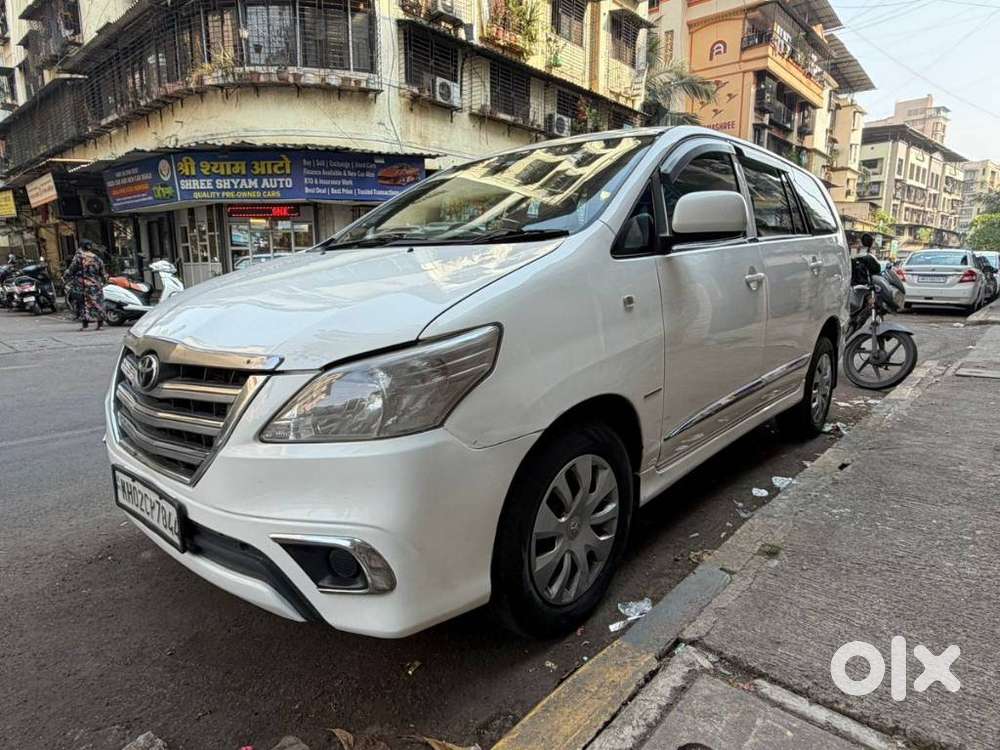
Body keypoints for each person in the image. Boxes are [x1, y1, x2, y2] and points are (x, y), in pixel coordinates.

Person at [65, 241, 107, 330]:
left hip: (82, 285)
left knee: (83, 303)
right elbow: (103, 272)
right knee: (97, 303)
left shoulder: (79, 257)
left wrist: (65, 277)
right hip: (96, 284)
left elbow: (71, 269)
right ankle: (100, 325)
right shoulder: (97, 258)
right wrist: (103, 281)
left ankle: (85, 325)